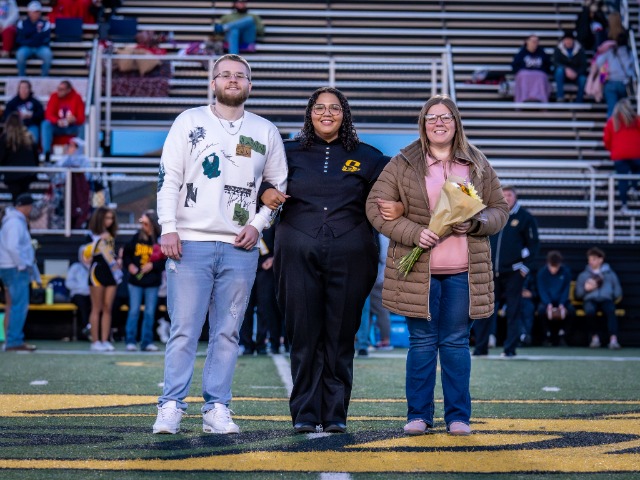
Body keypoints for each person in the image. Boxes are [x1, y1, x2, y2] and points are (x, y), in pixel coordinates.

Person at [153, 54, 288, 435]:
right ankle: (171, 405)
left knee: (228, 333)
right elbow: (169, 177)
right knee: (184, 329)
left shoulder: (265, 130)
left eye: (239, 76)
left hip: (240, 247)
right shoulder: (189, 120)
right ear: (212, 83)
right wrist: (168, 227)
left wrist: (259, 225)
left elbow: (278, 187)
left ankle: (216, 408)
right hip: (189, 241)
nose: (232, 80)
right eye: (225, 75)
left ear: (250, 85)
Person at [365, 94, 509, 436]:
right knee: (422, 343)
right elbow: (375, 207)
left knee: (456, 343)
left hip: (464, 271)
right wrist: (414, 233)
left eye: (445, 117)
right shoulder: (403, 162)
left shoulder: (476, 162)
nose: (439, 123)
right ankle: (419, 415)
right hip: (419, 272)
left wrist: (475, 223)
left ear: (456, 122)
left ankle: (458, 417)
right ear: (423, 124)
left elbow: (499, 210)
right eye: (432, 117)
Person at [260, 86, 388, 434]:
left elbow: (395, 193)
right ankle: (305, 412)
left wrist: (396, 206)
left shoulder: (370, 156)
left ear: (345, 114)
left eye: (334, 108)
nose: (326, 113)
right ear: (309, 113)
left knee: (341, 334)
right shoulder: (285, 152)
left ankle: (334, 413)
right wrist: (264, 191)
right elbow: (253, 180)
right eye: (319, 108)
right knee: (303, 332)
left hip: (353, 256)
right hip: (296, 254)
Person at [473, 185, 539, 358]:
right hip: (490, 272)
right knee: (485, 311)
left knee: (513, 311)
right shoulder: (492, 215)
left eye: (509, 195)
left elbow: (534, 246)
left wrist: (524, 268)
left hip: (514, 273)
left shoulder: (525, 217)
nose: (506, 198)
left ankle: (509, 349)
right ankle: (480, 348)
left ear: (515, 197)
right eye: (503, 195)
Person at [0, 193, 40, 351]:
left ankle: (10, 340)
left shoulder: (12, 221)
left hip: (9, 267)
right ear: (27, 206)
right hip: (14, 268)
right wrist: (22, 265)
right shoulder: (15, 223)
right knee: (19, 305)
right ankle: (14, 340)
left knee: (12, 305)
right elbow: (12, 247)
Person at [121, 209, 164, 352]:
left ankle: (147, 342)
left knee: (150, 313)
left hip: (152, 282)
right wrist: (130, 266)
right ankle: (130, 340)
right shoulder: (136, 238)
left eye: (145, 223)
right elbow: (126, 255)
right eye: (141, 222)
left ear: (152, 223)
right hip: (135, 282)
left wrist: (153, 265)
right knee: (134, 311)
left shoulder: (159, 239)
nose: (142, 225)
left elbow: (165, 260)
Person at [240, 222, 280, 355]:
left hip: (266, 267)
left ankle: (262, 343)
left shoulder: (271, 216)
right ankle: (247, 344)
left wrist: (274, 258)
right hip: (246, 265)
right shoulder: (244, 215)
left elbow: (281, 239)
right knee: (245, 307)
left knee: (265, 306)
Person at [85, 206, 121, 352]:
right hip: (97, 272)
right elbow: (86, 256)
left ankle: (105, 340)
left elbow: (112, 254)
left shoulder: (112, 235)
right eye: (107, 218)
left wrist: (118, 261)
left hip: (111, 273)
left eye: (111, 218)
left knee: (107, 307)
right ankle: (95, 341)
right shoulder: (91, 234)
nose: (109, 221)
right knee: (97, 307)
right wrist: (99, 240)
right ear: (100, 218)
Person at [575, 247, 623, 349]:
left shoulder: (610, 274)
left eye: (593, 259)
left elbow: (618, 290)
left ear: (601, 259)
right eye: (589, 259)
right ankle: (594, 338)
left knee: (611, 310)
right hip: (590, 299)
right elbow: (578, 294)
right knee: (590, 311)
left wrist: (611, 296)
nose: (590, 262)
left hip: (606, 299)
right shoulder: (583, 275)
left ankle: (613, 339)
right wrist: (586, 289)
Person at [603, 98, 640, 215]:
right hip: (636, 153)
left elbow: (606, 140)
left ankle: (624, 205)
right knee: (636, 171)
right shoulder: (637, 120)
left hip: (619, 154)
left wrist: (612, 150)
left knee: (622, 179)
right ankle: (634, 188)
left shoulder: (612, 122)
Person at [41, 80, 86, 163]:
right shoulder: (54, 96)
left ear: (68, 90)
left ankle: (79, 156)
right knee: (46, 124)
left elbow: (81, 118)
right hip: (57, 127)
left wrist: (74, 119)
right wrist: (57, 121)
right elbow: (48, 114)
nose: (59, 91)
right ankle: (46, 154)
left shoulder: (77, 97)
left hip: (71, 127)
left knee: (82, 127)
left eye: (61, 89)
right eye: (58, 89)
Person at [536, 250, 574, 347]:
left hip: (562, 301)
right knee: (541, 310)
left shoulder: (566, 272)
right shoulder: (542, 273)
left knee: (571, 311)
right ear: (548, 263)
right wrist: (548, 304)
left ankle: (563, 335)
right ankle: (546, 335)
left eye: (556, 267)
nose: (554, 270)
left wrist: (562, 304)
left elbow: (566, 290)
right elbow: (542, 290)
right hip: (546, 302)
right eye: (552, 267)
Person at [0, 112, 39, 203]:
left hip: (12, 175)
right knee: (23, 198)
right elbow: (36, 157)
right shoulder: (29, 137)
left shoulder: (5, 139)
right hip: (27, 174)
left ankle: (19, 210)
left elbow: (1, 158)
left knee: (17, 199)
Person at [594, 33, 636, 118]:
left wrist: (606, 70)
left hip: (611, 83)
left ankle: (612, 126)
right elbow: (633, 69)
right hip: (624, 84)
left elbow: (598, 62)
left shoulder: (610, 52)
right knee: (624, 110)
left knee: (612, 110)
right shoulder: (629, 53)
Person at [15, 1, 52, 77]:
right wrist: (35, 36)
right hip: (26, 47)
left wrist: (31, 37)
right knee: (20, 54)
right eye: (33, 11)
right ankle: (21, 77)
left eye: (37, 12)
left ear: (40, 12)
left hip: (40, 47)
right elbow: (20, 39)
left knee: (48, 55)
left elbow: (46, 38)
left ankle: (44, 78)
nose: (35, 14)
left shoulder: (45, 23)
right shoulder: (22, 23)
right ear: (29, 12)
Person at [511, 34, 551, 103]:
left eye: (536, 41)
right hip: (524, 74)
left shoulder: (542, 53)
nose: (534, 43)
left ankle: (541, 99)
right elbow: (515, 66)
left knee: (541, 76)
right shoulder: (521, 53)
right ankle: (523, 99)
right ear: (527, 42)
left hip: (539, 74)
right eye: (532, 41)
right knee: (523, 75)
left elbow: (547, 65)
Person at [2, 80, 44, 144]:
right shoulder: (12, 103)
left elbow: (41, 115)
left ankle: (33, 149)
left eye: (26, 88)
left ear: (29, 89)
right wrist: (17, 116)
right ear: (18, 89)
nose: (23, 90)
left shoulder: (35, 102)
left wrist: (32, 116)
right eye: (22, 88)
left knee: (34, 132)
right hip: (16, 126)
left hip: (31, 125)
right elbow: (7, 115)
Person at [552, 29, 588, 103]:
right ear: (563, 41)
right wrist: (566, 69)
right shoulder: (558, 49)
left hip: (576, 75)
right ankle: (560, 97)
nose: (568, 42)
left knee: (583, 79)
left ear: (573, 41)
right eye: (566, 40)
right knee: (559, 71)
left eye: (570, 40)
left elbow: (584, 65)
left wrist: (576, 73)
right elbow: (555, 62)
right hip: (563, 75)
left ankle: (579, 101)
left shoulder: (580, 50)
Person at [65, 243, 92, 341]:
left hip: (92, 295)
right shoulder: (75, 267)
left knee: (95, 304)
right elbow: (68, 283)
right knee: (83, 304)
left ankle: (93, 328)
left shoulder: (95, 267)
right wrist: (82, 288)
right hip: (78, 294)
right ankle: (87, 327)